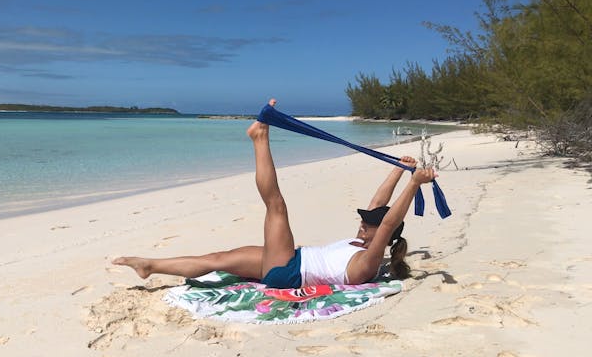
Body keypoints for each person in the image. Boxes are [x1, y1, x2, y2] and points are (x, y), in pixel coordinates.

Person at [112, 112, 436, 288]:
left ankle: (259, 139)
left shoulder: (367, 262)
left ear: (379, 234)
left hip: (288, 271)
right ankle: (149, 266)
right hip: (288, 262)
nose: (362, 223)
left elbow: (390, 219)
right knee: (217, 258)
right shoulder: (360, 244)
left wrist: (415, 184)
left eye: (368, 223)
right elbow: (381, 206)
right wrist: (400, 171)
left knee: (276, 206)